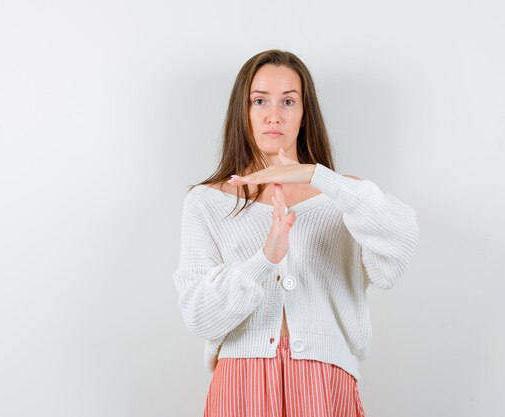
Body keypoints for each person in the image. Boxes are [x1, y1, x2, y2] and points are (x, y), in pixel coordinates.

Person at [172, 49, 419, 417]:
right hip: (241, 384)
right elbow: (201, 316)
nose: (274, 115)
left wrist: (318, 176)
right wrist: (264, 260)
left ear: (305, 113)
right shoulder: (207, 201)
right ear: (243, 111)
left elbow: (395, 258)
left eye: (289, 101)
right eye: (260, 101)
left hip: (325, 380)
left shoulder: (342, 194)